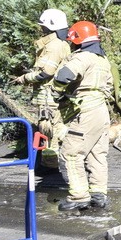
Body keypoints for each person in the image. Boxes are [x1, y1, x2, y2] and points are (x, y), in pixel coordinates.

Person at [51, 20, 114, 212]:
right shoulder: (103, 60)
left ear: (77, 40)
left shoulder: (83, 58)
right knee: (97, 154)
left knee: (71, 153)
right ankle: (98, 194)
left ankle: (78, 196)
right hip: (101, 111)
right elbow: (110, 86)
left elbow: (63, 76)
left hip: (85, 111)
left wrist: (56, 92)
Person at [13, 9, 72, 169]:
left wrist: (24, 78)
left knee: (50, 130)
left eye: (43, 26)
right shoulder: (57, 44)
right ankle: (53, 162)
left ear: (50, 27)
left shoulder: (53, 46)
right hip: (50, 95)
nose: (41, 29)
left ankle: (51, 165)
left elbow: (46, 72)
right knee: (52, 129)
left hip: (48, 96)